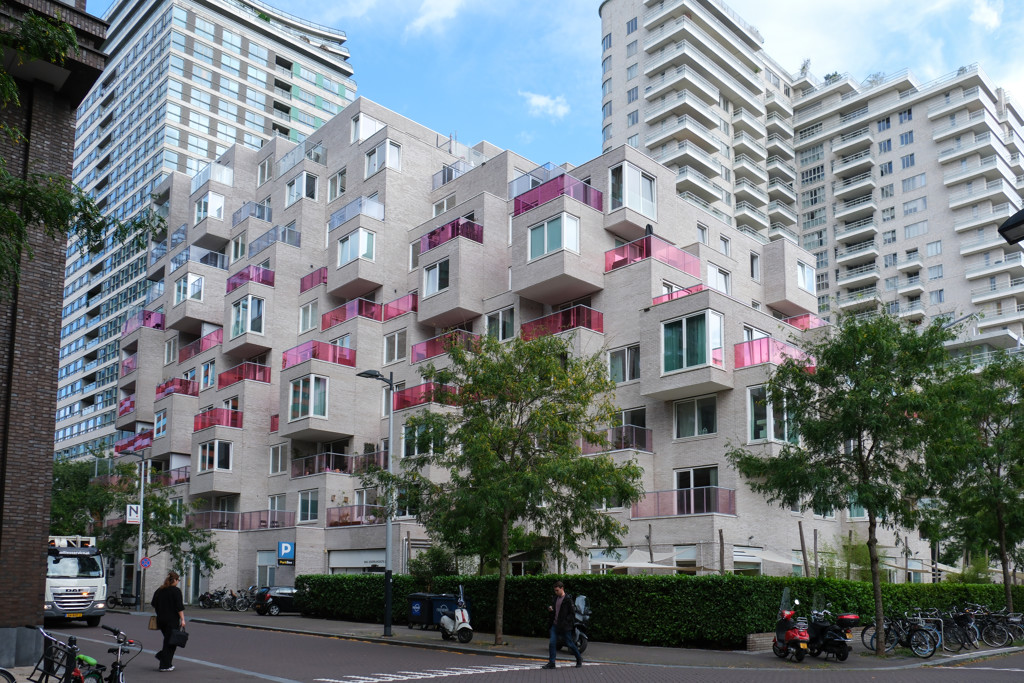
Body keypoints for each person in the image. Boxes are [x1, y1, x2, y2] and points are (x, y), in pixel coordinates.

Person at [542, 580, 582, 669]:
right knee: (552, 643)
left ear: (562, 588)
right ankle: (552, 663)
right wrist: (550, 609)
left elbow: (572, 614)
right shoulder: (555, 598)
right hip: (555, 625)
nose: (556, 592)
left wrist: (565, 622)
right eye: (555, 591)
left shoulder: (568, 599)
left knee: (569, 644)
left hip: (564, 627)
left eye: (557, 590)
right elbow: (555, 610)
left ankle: (579, 658)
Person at [151, 571, 185, 672]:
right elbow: (179, 607)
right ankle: (164, 664)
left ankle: (165, 660)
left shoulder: (159, 590)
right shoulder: (176, 591)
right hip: (172, 620)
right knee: (171, 642)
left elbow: (153, 604)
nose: (178, 582)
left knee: (168, 641)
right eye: (178, 580)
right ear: (174, 580)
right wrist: (183, 619)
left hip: (161, 620)